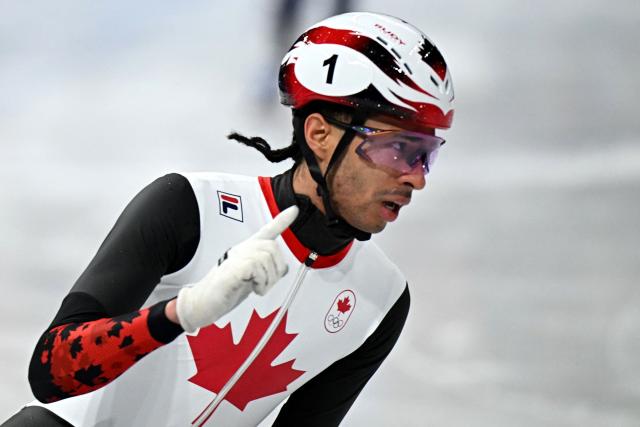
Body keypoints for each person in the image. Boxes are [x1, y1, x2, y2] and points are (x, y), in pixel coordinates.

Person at [2, 11, 454, 427]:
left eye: (426, 156)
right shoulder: (189, 206)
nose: (416, 179)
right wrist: (180, 313)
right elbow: (51, 373)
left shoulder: (381, 300)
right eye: (399, 149)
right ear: (319, 134)